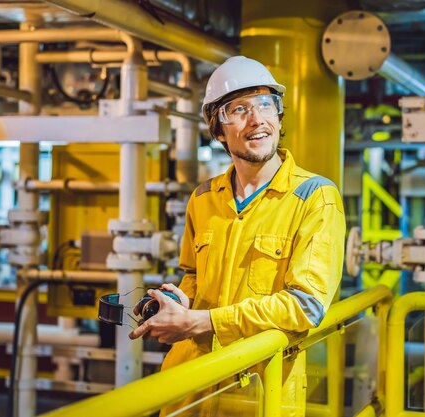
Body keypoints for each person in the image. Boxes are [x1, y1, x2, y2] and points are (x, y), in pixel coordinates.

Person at [129, 55, 346, 416]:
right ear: (218, 129)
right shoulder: (203, 199)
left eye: (266, 105)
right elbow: (194, 275)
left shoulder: (315, 197)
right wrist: (179, 303)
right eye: (239, 109)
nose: (257, 119)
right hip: (193, 384)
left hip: (260, 389)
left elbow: (307, 305)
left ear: (279, 116)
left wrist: (203, 321)